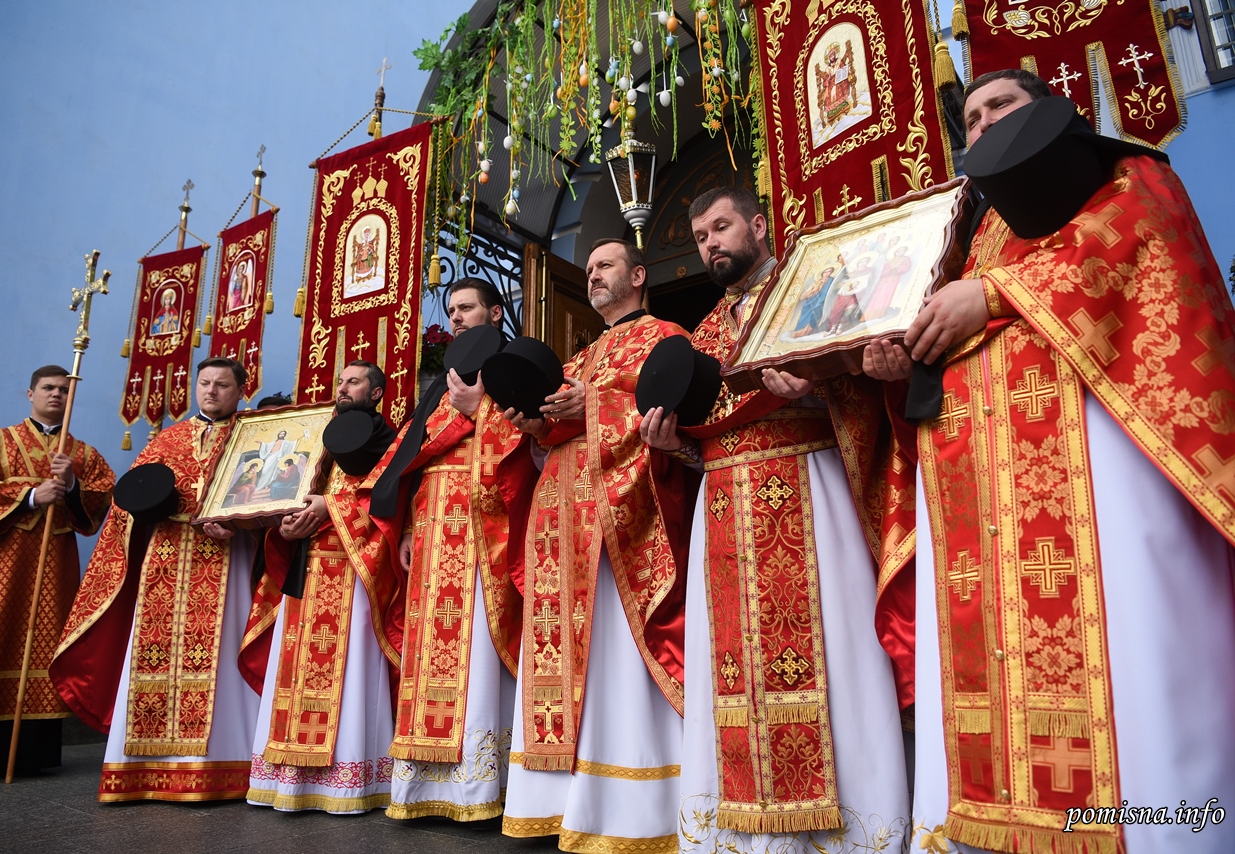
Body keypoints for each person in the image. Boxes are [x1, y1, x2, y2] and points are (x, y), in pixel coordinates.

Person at [862, 69, 1235, 853]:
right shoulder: (975, 236)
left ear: (1055, 111)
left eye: (1001, 105)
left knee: (1126, 661)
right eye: (971, 118)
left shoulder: (1121, 173)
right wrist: (906, 362)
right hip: (985, 500)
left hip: (1100, 476)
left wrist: (993, 295)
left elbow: (1131, 245)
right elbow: (947, 348)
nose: (983, 122)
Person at [639, 187, 910, 850]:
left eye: (721, 227)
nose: (711, 244)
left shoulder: (812, 293)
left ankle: (853, 832)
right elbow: (707, 440)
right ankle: (740, 835)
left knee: (835, 652)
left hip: (809, 491)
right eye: (701, 236)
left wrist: (821, 390)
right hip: (724, 511)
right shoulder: (703, 334)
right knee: (727, 668)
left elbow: (868, 387)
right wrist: (676, 447)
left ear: (758, 226)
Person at [500, 239, 694, 852]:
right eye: (587, 269)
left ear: (638, 275)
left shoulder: (666, 337)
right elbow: (555, 439)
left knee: (615, 652)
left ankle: (631, 802)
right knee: (558, 647)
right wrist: (538, 424)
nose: (592, 276)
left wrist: (597, 403)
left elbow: (677, 411)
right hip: (559, 520)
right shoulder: (581, 356)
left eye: (604, 265)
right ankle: (556, 800)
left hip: (619, 521)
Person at [363, 278, 538, 822]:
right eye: (452, 310)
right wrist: (408, 528)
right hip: (434, 531)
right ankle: (422, 785)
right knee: (429, 652)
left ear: (495, 312)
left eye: (466, 308)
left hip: (487, 528)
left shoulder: (515, 365)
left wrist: (481, 408)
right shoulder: (442, 382)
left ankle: (481, 785)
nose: (457, 317)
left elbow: (535, 443)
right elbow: (416, 459)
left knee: (481, 647)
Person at [51, 357, 260, 802]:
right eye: (204, 383)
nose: (210, 391)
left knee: (225, 655)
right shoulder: (167, 440)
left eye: (222, 385)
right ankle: (144, 771)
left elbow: (270, 497)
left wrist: (242, 522)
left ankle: (227, 767)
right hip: (166, 561)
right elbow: (127, 505)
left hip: (231, 558)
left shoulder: (255, 437)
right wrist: (150, 510)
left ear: (242, 390)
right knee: (154, 655)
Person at [240, 360, 398, 814]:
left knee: (350, 671)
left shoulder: (388, 439)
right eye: (341, 381)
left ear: (376, 393)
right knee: (292, 671)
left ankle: (347, 780)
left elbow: (387, 498)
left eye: (354, 382)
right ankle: (286, 778)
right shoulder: (319, 439)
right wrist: (286, 525)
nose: (343, 388)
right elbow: (289, 492)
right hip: (306, 570)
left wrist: (330, 507)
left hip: (354, 571)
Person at [0, 365, 114, 781]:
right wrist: (30, 496)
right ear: (30, 394)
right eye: (48, 388)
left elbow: (102, 497)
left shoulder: (82, 454)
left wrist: (73, 486)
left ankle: (29, 755)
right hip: (0, 562)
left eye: (64, 389)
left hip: (53, 567)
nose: (56, 395)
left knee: (43, 647)